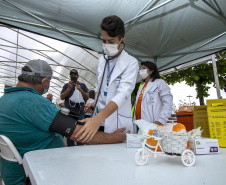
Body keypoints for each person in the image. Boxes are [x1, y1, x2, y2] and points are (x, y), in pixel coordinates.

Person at [0, 59, 127, 185]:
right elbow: (79, 134)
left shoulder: (4, 99)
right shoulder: (32, 101)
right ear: (44, 81)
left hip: (14, 173)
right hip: (38, 175)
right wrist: (114, 137)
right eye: (49, 81)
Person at [79, 15, 139, 142]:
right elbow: (101, 86)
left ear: (122, 40)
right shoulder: (102, 60)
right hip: (98, 120)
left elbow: (122, 93)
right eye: (104, 41)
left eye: (111, 42)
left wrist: (97, 119)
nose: (106, 45)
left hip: (116, 123)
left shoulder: (131, 62)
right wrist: (94, 102)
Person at [134, 61, 173, 126]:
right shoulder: (142, 86)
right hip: (139, 123)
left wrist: (161, 120)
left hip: (154, 123)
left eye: (144, 68)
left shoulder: (159, 83)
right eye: (140, 69)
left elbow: (168, 102)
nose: (141, 70)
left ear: (151, 70)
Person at [60, 69, 89, 146]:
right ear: (69, 76)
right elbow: (62, 97)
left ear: (78, 76)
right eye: (71, 75)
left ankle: (80, 150)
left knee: (80, 133)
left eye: (74, 76)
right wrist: (69, 88)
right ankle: (70, 150)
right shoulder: (66, 86)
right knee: (69, 134)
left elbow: (87, 97)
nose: (73, 77)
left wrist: (80, 89)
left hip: (80, 113)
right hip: (69, 113)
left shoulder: (82, 85)